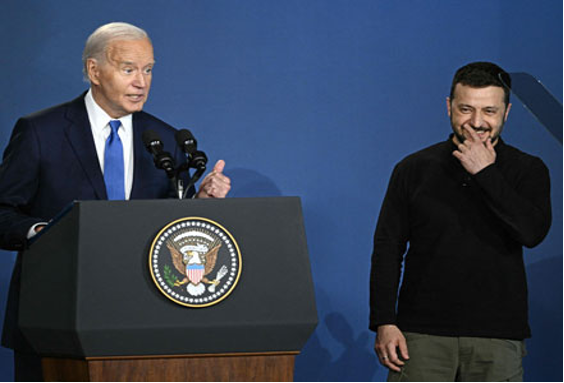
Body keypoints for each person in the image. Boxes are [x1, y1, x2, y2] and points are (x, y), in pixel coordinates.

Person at [0, 22, 231, 381]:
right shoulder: (40, 132)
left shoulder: (165, 140)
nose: (142, 82)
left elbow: (172, 229)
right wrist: (43, 233)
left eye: (148, 69)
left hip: (140, 322)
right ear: (94, 71)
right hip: (53, 319)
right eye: (128, 69)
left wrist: (199, 202)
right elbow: (2, 211)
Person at [370, 62, 552, 382]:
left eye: (490, 111)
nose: (477, 122)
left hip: (497, 337)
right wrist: (385, 321)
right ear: (449, 107)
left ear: (506, 112)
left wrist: (486, 174)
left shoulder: (529, 169)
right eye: (466, 109)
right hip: (421, 336)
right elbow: (388, 248)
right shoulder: (413, 169)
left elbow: (532, 233)